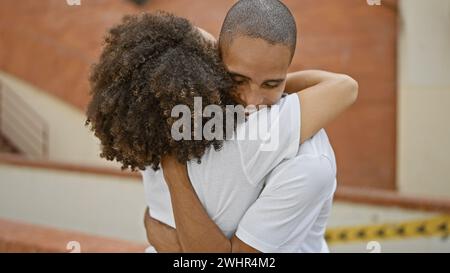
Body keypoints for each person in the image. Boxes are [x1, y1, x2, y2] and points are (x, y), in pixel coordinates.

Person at [144, 0, 357, 253]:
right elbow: (345, 87)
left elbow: (156, 225)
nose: (251, 101)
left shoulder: (298, 151)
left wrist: (172, 172)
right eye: (238, 80)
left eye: (270, 83)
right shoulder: (192, 117)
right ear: (214, 66)